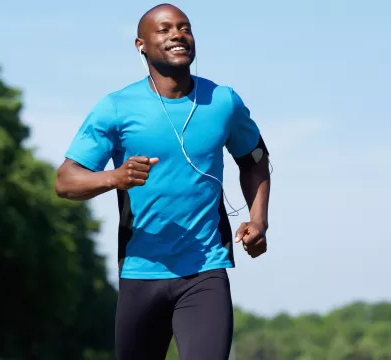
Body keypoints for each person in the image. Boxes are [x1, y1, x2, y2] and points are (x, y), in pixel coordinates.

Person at [55, 3, 271, 359]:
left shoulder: (222, 102)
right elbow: (66, 181)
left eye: (184, 28)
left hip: (205, 270)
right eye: (165, 29)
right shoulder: (116, 107)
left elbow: (255, 162)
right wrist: (115, 177)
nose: (177, 35)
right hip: (140, 272)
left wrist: (258, 219)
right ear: (141, 45)